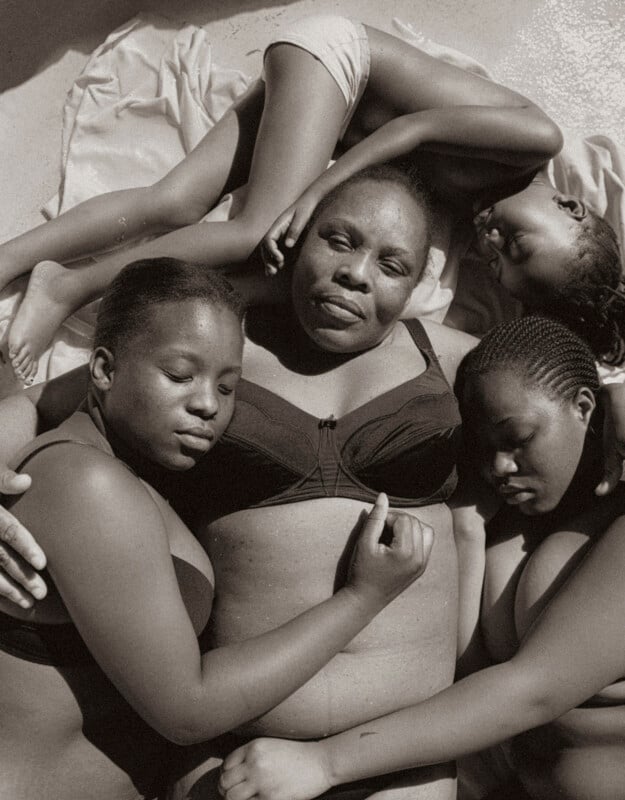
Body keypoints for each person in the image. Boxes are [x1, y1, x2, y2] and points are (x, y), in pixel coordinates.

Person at [0, 165, 479, 799]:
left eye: (393, 265)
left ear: (421, 282)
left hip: (396, 760)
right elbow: (39, 404)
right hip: (225, 755)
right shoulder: (213, 339)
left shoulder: (450, 357)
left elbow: (562, 403)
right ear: (297, 236)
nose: (357, 273)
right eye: (338, 239)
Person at [0, 14, 620, 383]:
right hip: (338, 64)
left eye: (500, 262)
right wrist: (316, 190)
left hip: (325, 107)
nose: (492, 242)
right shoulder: (536, 142)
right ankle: (68, 288)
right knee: (255, 229)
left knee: (173, 203)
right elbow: (413, 129)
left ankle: (14, 258)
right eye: (517, 241)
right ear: (572, 207)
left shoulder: (482, 209)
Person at [216, 315, 625, 800]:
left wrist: (323, 763)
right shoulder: (505, 520)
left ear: (583, 406)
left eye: (517, 438)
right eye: (486, 448)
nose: (499, 465)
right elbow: (469, 673)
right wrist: (466, 529)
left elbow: (533, 691)